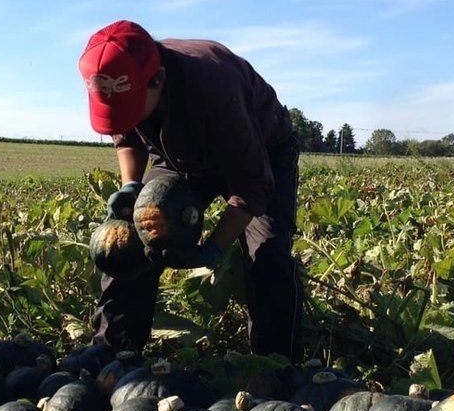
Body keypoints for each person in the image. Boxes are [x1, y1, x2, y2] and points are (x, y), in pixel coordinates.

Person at [78, 19, 302, 360]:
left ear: (159, 79)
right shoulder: (123, 81)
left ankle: (276, 366)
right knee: (129, 237)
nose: (127, 117)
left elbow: (252, 183)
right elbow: (126, 134)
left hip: (262, 152)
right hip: (181, 155)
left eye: (132, 107)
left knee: (267, 253)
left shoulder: (214, 88)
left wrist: (213, 248)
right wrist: (132, 187)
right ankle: (115, 354)